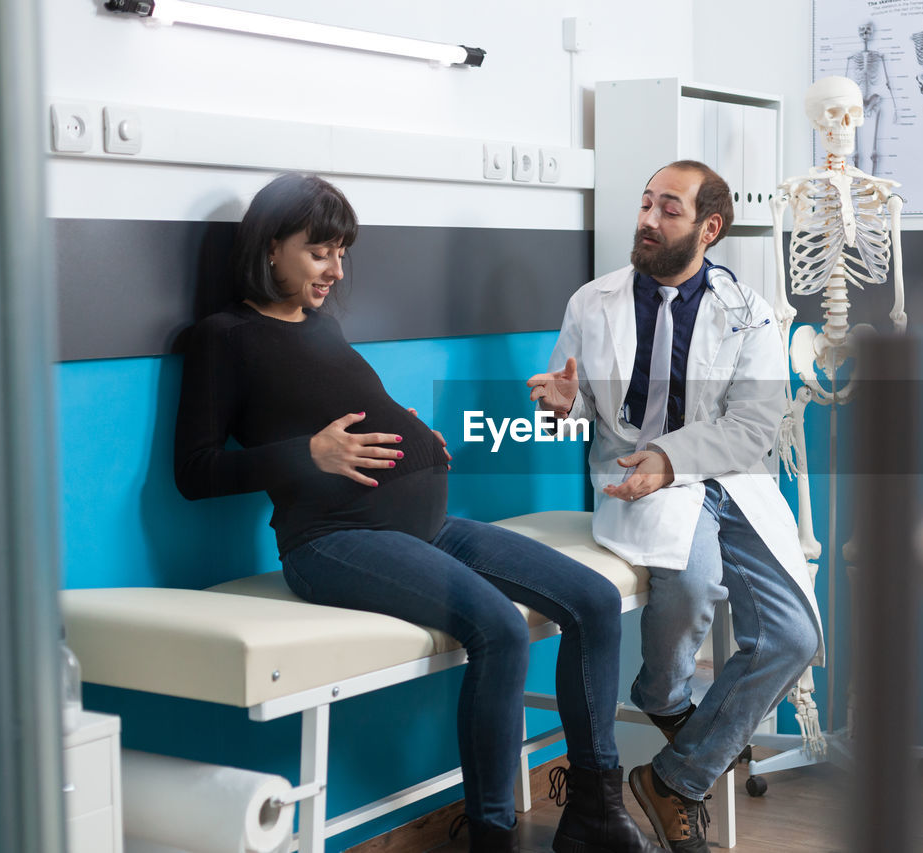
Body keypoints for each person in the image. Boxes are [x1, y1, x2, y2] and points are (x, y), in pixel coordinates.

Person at [174, 173, 661, 853]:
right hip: (331, 539)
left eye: (342, 252)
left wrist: (409, 431)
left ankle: (595, 811)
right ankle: (493, 834)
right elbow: (193, 472)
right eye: (321, 252)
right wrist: (307, 453)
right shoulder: (221, 337)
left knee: (592, 598)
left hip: (423, 527)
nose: (336, 269)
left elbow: (339, 405)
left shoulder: (320, 323)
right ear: (271, 244)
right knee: (501, 629)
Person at [527, 161, 823, 853]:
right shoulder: (591, 303)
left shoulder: (750, 312)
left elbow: (754, 425)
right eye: (645, 204)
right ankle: (664, 696)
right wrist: (562, 407)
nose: (647, 220)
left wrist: (674, 458)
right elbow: (570, 411)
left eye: (668, 209)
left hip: (731, 480)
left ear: (708, 229)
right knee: (690, 580)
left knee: (795, 638)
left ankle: (675, 776)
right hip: (633, 477)